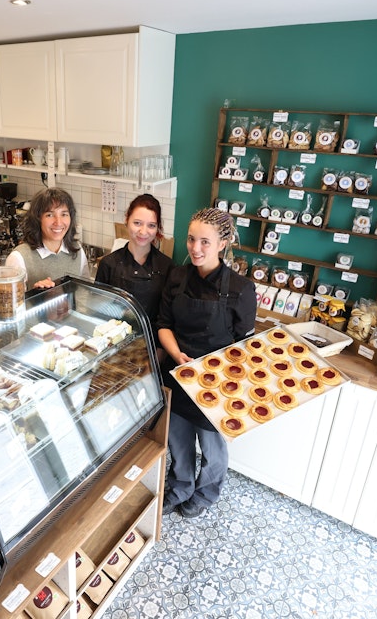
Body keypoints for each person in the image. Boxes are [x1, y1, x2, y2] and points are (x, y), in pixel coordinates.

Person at [157, 208, 257, 519]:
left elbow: (245, 347)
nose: (195, 249)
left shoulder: (241, 290)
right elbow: (163, 324)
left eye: (205, 242)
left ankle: (207, 492)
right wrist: (176, 356)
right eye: (190, 239)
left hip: (216, 384)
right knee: (179, 441)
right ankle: (181, 486)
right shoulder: (177, 277)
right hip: (177, 374)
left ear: (223, 244)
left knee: (213, 450)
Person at [95, 194, 173, 325]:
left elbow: (166, 318)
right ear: (126, 220)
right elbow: (99, 308)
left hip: (152, 340)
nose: (143, 232)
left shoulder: (167, 267)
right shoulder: (108, 264)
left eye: (151, 225)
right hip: (115, 337)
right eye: (137, 223)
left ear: (158, 227)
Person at [5, 187, 88, 290]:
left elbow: (85, 295)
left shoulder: (77, 251)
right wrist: (35, 295)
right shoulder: (18, 258)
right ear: (37, 219)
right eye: (49, 215)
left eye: (64, 214)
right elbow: (9, 303)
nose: (58, 222)